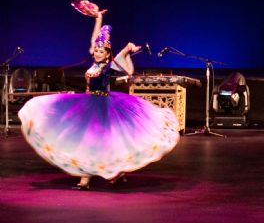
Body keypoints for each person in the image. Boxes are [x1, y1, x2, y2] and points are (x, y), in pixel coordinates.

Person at [19, 10, 180, 190]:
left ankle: (109, 175)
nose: (96, 52)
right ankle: (91, 179)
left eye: (100, 50)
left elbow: (123, 58)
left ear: (107, 53)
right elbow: (94, 39)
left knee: (104, 143)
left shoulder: (108, 66)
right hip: (87, 104)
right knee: (85, 142)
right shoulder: (94, 63)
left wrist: (128, 49)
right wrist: (99, 19)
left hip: (104, 106)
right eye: (96, 49)